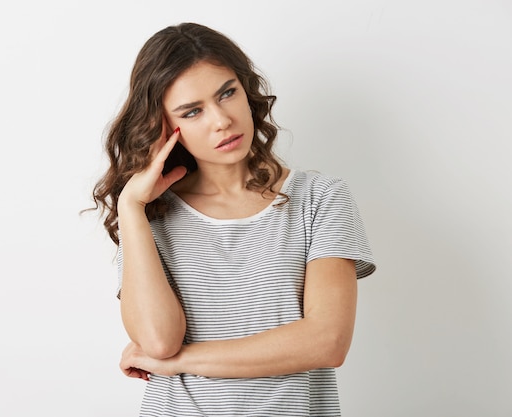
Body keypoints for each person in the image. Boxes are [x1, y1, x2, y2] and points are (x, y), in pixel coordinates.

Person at [92, 22, 376, 417]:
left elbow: (327, 342)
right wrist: (129, 209)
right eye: (192, 112)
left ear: (247, 91)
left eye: (227, 93)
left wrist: (179, 362)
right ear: (163, 128)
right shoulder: (149, 216)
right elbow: (157, 342)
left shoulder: (319, 198)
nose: (221, 120)